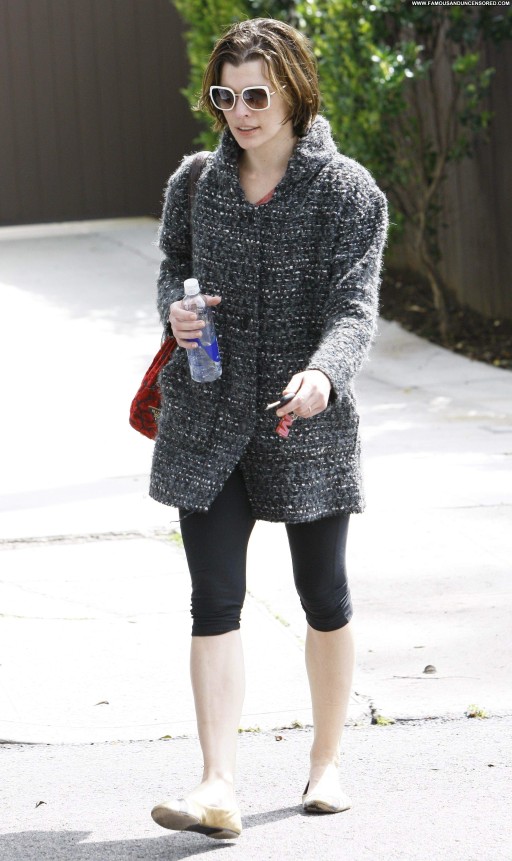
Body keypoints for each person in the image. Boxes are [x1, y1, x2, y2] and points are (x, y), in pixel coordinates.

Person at [149, 17, 388, 841]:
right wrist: (177, 314)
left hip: (303, 422)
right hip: (207, 419)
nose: (240, 112)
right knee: (213, 598)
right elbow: (171, 276)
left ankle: (326, 762)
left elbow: (355, 309)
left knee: (324, 595)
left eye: (256, 95)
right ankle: (216, 783)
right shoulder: (194, 182)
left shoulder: (348, 192)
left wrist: (324, 372)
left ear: (294, 92)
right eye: (226, 96)